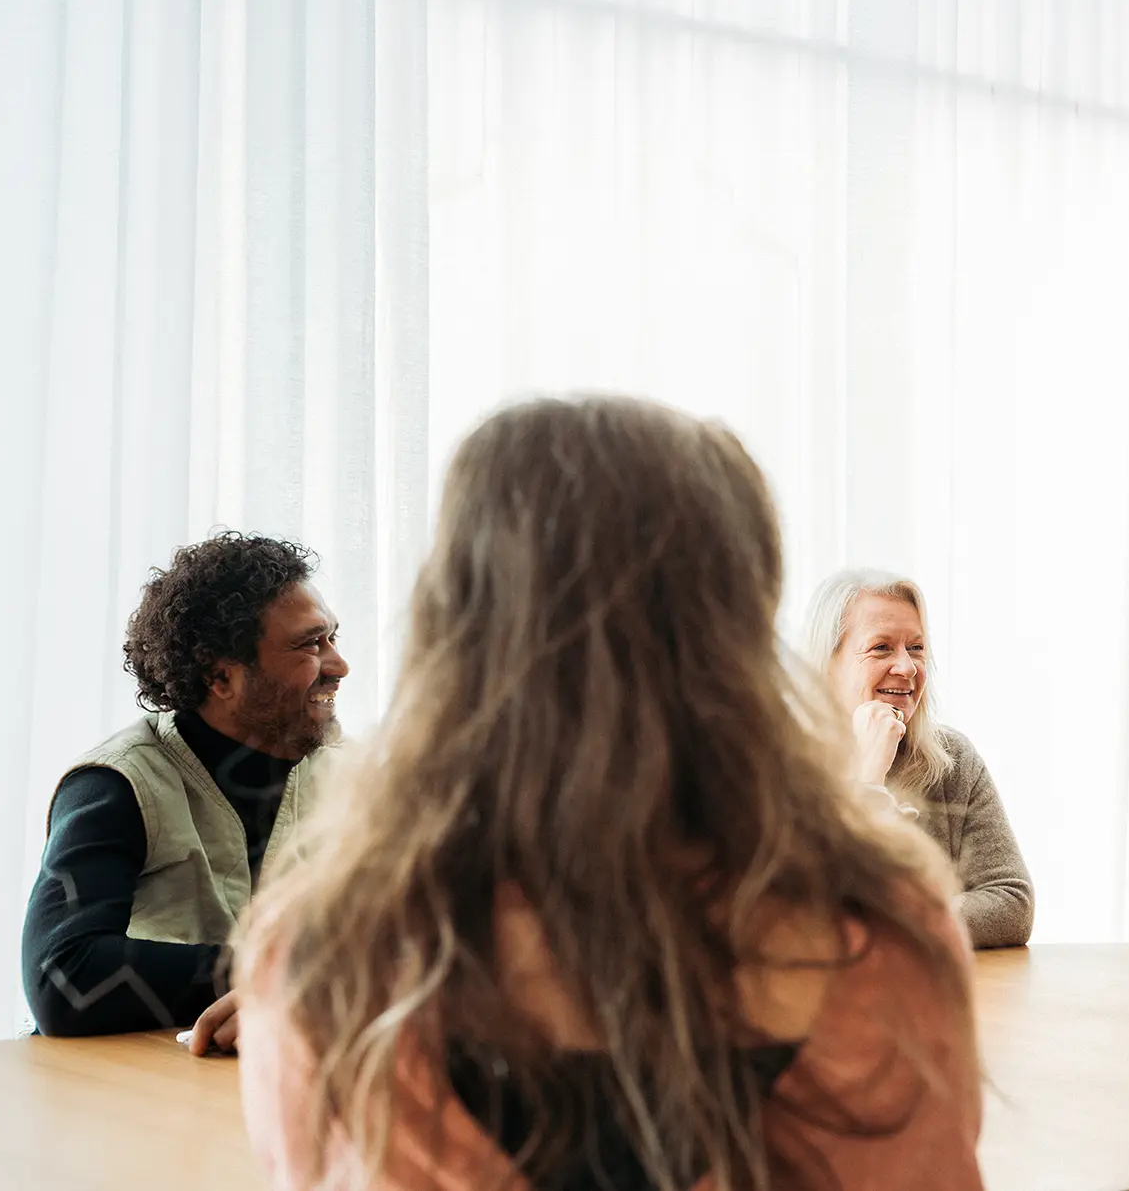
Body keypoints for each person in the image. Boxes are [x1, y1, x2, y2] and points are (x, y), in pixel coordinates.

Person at [234, 396, 984, 1191]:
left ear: (456, 628)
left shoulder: (323, 962)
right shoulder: (890, 936)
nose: (906, 666)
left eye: (916, 647)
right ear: (741, 637)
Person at [21, 531, 348, 1050]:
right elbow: (63, 981)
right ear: (220, 675)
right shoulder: (117, 783)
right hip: (126, 1103)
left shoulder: (358, 779)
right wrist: (291, 977)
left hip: (278, 1086)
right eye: (310, 644)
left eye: (332, 637)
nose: (338, 665)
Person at [801, 569, 1034, 948]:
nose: (907, 668)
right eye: (881, 647)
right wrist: (867, 779)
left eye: (916, 648)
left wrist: (894, 919)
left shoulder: (952, 758)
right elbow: (809, 918)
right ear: (828, 664)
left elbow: (1011, 903)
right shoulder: (778, 768)